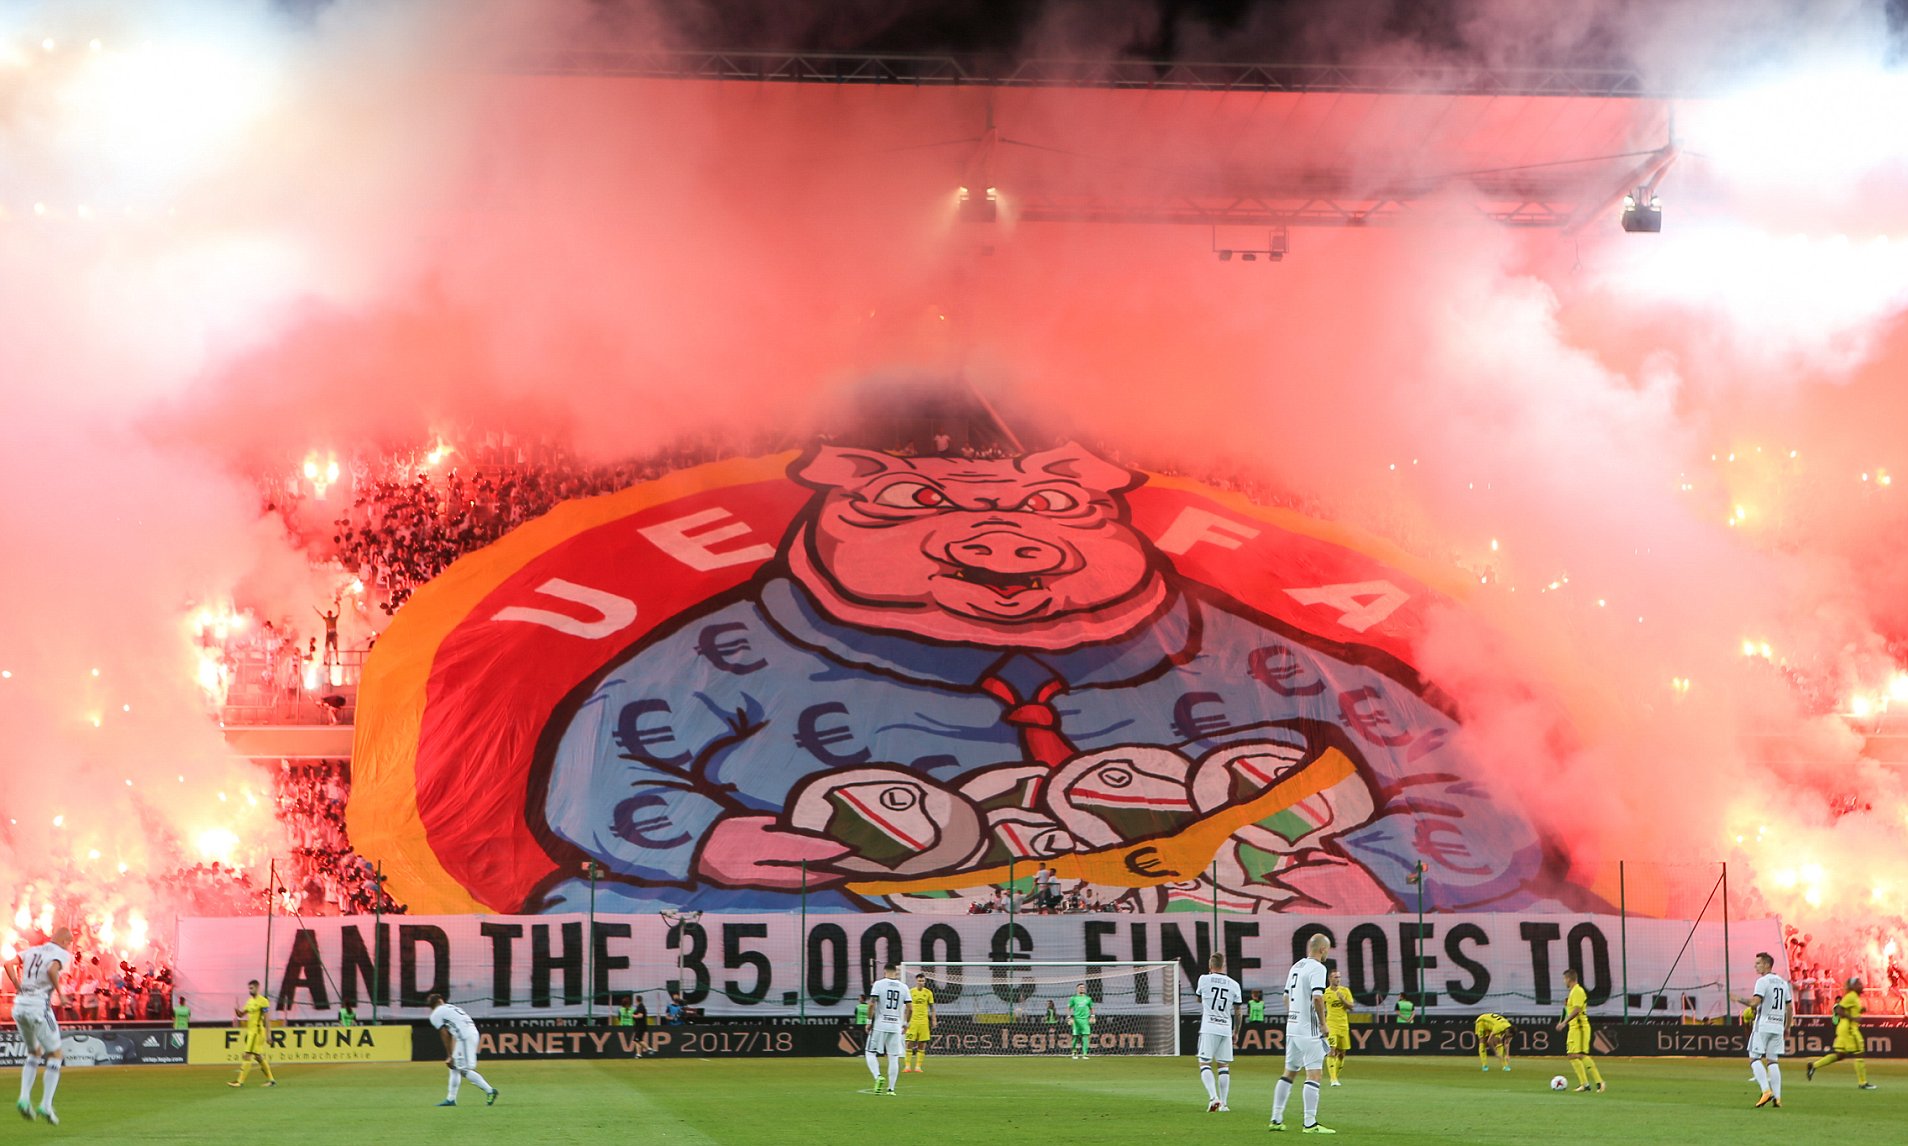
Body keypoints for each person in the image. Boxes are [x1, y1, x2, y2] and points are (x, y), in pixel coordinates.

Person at [1270, 933, 1334, 1134]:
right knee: (1314, 1074)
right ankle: (1309, 1123)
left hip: (1293, 1028)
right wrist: (1323, 1024)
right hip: (1309, 1030)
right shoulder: (1318, 968)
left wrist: (1294, 1016)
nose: (1327, 953)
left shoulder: (1296, 966)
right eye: (1328, 949)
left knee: (1289, 1072)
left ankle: (1276, 1118)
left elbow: (1285, 997)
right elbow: (1317, 998)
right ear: (1322, 949)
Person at [6, 926, 71, 1125]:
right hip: (39, 1007)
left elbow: (8, 963)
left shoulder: (33, 950)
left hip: (19, 1006)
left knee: (34, 1052)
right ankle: (46, 1104)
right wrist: (60, 993)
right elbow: (52, 969)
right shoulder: (62, 953)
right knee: (56, 1055)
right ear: (65, 941)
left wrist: (17, 985)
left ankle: (24, 1098)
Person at [1736, 952, 1792, 1109]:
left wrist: (1738, 999)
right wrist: (1787, 1027)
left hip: (1763, 1025)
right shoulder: (1782, 982)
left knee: (1754, 1058)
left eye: (1758, 963)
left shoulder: (1762, 981)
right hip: (1778, 1025)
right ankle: (1778, 1098)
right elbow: (1789, 1007)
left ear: (1767, 965)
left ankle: (1766, 1091)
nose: (1755, 966)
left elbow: (1755, 1002)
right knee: (1773, 1060)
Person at [427, 993, 498, 1107]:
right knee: (454, 1067)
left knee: (464, 1069)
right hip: (469, 1034)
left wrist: (449, 1055)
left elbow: (445, 1033)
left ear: (430, 1006)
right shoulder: (451, 1007)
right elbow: (454, 1029)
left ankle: (490, 1091)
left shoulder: (436, 1014)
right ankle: (451, 1099)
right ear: (441, 1000)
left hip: (465, 1037)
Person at [1808, 976, 1877, 1089]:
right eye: (1858, 983)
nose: (1861, 985)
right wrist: (1853, 1018)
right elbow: (1839, 1010)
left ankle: (1813, 1066)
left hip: (1843, 1028)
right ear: (1853, 986)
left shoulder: (1854, 997)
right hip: (1849, 1029)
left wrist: (1859, 1011)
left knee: (1840, 1055)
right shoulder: (1851, 996)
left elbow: (1847, 1009)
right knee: (1859, 1053)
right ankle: (1862, 1083)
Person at [1195, 954, 1244, 1113]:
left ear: (1210, 966)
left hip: (1209, 1026)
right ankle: (1224, 1103)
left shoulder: (1203, 979)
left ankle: (1213, 1098)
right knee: (1223, 1065)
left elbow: (1199, 999)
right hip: (1225, 1027)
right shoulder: (1234, 984)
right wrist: (1236, 1031)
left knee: (1204, 1062)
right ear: (1223, 966)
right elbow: (1238, 1011)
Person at [1555, 967, 1605, 1094]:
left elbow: (1577, 1010)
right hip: (1573, 1028)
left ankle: (1600, 1082)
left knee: (1581, 1055)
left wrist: (1564, 1022)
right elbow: (1571, 1009)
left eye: (1564, 979)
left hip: (1580, 1028)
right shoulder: (1572, 992)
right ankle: (1584, 1084)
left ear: (1568, 978)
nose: (1563, 982)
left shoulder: (1578, 991)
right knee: (1571, 1056)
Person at [864, 964, 912, 1096]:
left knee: (870, 1052)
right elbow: (910, 1008)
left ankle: (878, 1076)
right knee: (894, 1057)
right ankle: (891, 1089)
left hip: (880, 1024)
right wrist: (906, 1024)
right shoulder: (904, 987)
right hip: (896, 1025)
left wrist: (868, 1022)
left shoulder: (879, 984)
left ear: (884, 971)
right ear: (896, 972)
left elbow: (872, 1004)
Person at [227, 979, 278, 1089]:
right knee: (258, 1057)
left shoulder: (263, 1001)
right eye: (249, 988)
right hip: (250, 1032)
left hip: (257, 1032)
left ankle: (239, 1081)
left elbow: (267, 1019)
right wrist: (237, 1011)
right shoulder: (249, 1001)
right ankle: (271, 1080)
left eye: (252, 988)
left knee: (247, 1055)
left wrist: (269, 1035)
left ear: (257, 988)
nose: (250, 990)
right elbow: (242, 1014)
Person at [1323, 970, 1355, 1085]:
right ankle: (1333, 1079)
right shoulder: (1325, 993)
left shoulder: (1345, 991)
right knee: (1331, 1051)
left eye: (1339, 977)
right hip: (1331, 1025)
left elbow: (1351, 1006)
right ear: (1330, 979)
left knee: (1342, 1053)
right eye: (1335, 977)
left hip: (1343, 1025)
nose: (1338, 979)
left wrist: (1342, 999)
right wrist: (1322, 1024)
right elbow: (1320, 1008)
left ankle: (1335, 1076)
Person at [904, 973, 935, 1073]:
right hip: (912, 1021)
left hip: (924, 1022)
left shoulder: (928, 993)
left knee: (922, 1043)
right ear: (916, 981)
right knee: (909, 1042)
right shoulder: (911, 992)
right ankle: (907, 1066)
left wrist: (934, 1020)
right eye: (919, 981)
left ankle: (918, 1066)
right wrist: (905, 1021)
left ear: (925, 981)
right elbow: (907, 1008)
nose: (921, 983)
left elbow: (932, 1008)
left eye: (922, 981)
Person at [1067, 981, 1095, 1061]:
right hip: (1076, 1020)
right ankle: (1074, 1052)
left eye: (1083, 987)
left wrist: (1092, 1016)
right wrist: (1069, 1017)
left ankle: (1084, 1054)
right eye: (1080, 987)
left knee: (1085, 1036)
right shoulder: (1073, 998)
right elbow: (1069, 1008)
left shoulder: (1088, 999)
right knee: (1075, 1036)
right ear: (1077, 989)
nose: (1082, 988)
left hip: (1085, 1020)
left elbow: (1091, 1008)